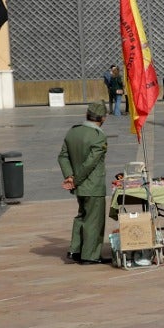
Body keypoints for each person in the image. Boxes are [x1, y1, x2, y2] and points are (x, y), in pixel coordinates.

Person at [58, 101, 110, 264]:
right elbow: (90, 163)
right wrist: (75, 180)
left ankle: (75, 250)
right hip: (92, 185)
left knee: (82, 216)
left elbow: (63, 156)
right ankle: (90, 255)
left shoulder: (73, 132)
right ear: (102, 118)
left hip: (79, 185)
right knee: (94, 220)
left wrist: (69, 176)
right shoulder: (98, 135)